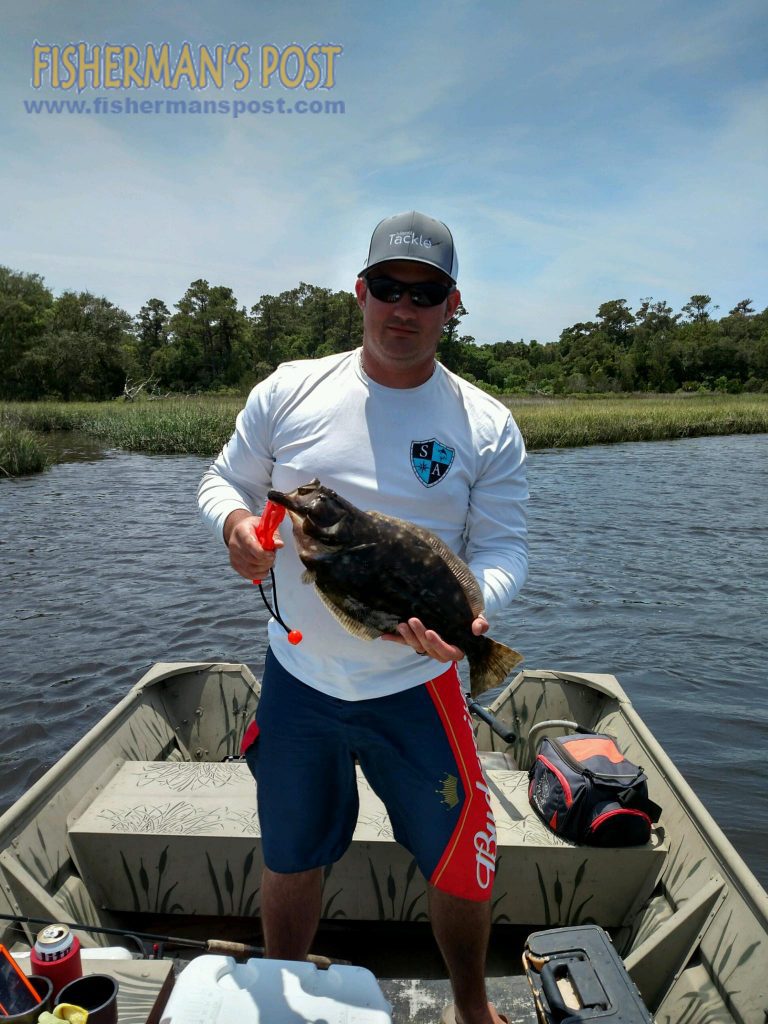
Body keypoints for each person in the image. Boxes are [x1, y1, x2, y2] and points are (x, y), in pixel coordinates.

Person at [198, 211, 528, 1024]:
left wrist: (470, 618)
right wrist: (235, 530)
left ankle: (473, 1006)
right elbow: (222, 482)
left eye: (426, 293)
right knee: (290, 852)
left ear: (453, 305)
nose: (403, 309)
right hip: (301, 678)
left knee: (460, 866)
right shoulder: (291, 388)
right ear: (361, 291)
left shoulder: (485, 423)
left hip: (420, 682)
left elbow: (504, 550)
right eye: (389, 287)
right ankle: (280, 994)